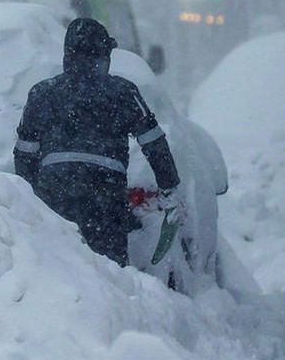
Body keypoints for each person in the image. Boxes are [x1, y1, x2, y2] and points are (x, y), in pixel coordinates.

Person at [14, 18, 181, 265]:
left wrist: (28, 196)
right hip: (105, 190)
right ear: (104, 55)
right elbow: (153, 142)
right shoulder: (123, 92)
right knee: (109, 271)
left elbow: (24, 153)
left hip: (55, 189)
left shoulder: (43, 93)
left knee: (57, 265)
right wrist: (169, 186)